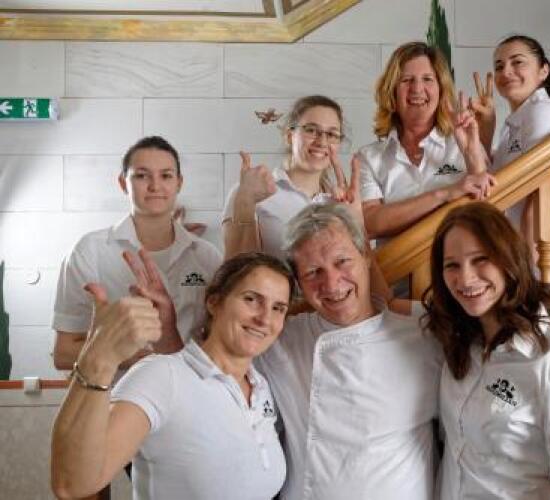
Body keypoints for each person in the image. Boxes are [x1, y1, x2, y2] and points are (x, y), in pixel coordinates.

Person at [51, 252, 293, 500]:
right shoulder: (160, 376)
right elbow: (73, 484)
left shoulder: (261, 386)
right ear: (214, 302)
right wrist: (98, 358)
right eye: (251, 299)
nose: (265, 319)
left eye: (278, 308)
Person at [255, 202, 443, 500]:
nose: (332, 283)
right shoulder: (281, 340)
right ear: (299, 284)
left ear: (366, 256)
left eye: (342, 261)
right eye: (313, 272)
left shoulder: (422, 337)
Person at [422, 202, 550, 499]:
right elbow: (383, 309)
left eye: (480, 259)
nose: (465, 279)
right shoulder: (459, 335)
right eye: (452, 265)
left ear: (509, 259)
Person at [52, 136, 222, 369]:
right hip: (116, 390)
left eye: (166, 176)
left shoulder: (207, 256)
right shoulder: (90, 251)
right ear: (123, 183)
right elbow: (63, 354)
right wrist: (133, 358)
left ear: (179, 183)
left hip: (190, 387)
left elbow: (217, 339)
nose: (155, 186)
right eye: (142, 176)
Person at [471, 35, 550, 324]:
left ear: (543, 71)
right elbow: (488, 190)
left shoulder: (544, 111)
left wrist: (526, 284)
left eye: (517, 62)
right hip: (525, 270)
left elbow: (536, 203)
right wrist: (485, 131)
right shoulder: (516, 123)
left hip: (547, 275)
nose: (506, 72)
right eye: (499, 66)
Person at [359, 41, 495, 243]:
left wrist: (471, 154)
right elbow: (370, 223)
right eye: (406, 80)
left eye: (427, 79)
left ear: (441, 90)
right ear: (392, 91)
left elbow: (488, 211)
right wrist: (445, 194)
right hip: (398, 265)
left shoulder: (465, 142)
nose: (417, 89)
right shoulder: (369, 157)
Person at [222, 95, 349, 260]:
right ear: (289, 136)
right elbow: (234, 269)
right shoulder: (250, 191)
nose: (322, 142)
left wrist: (352, 217)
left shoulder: (341, 202)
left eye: (332, 134)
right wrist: (245, 201)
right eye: (311, 130)